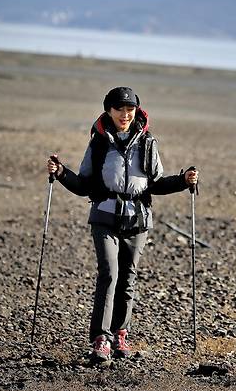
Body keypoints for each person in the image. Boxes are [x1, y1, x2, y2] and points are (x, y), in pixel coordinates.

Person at [47, 86, 198, 363]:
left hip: (138, 220)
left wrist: (183, 180)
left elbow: (156, 184)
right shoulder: (99, 143)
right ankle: (100, 339)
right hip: (104, 217)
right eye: (119, 109)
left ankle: (120, 334)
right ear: (109, 111)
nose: (125, 114)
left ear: (136, 111)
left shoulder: (148, 142)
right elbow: (83, 186)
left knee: (128, 278)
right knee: (109, 275)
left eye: (130, 109)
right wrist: (61, 173)